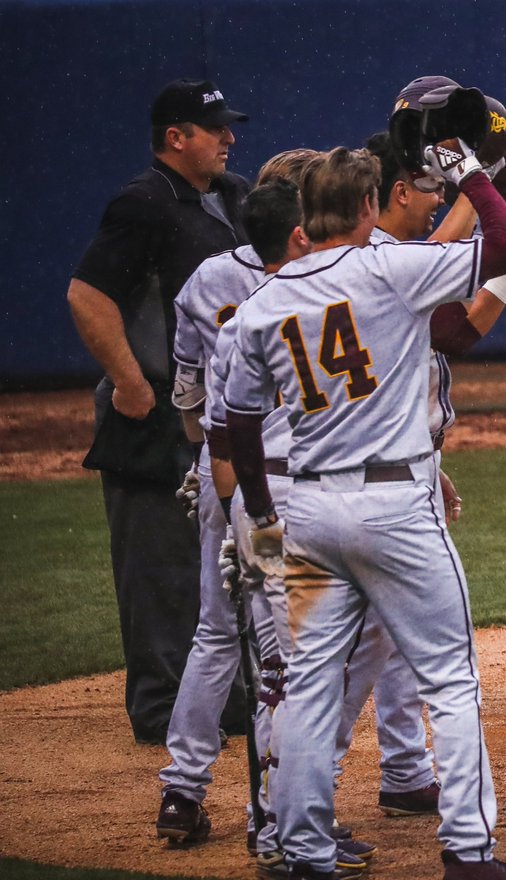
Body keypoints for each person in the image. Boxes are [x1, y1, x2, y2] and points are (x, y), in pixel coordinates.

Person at [224, 145, 506, 880]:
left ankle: (305, 861)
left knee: (307, 688)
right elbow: (503, 246)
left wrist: (264, 518)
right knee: (450, 679)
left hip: (305, 509)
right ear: (369, 207)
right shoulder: (389, 268)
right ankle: (467, 856)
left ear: (305, 215)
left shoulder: (263, 303)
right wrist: (471, 171)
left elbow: (241, 420)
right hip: (396, 505)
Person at [333, 128, 506, 822]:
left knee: (383, 647)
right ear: (389, 193)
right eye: (429, 188)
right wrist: (488, 198)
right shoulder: (385, 260)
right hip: (378, 482)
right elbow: (453, 329)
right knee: (369, 655)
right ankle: (293, 811)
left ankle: (400, 771)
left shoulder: (330, 269)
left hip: (369, 468)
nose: (438, 201)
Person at [66, 78, 251, 744]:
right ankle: (161, 709)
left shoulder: (232, 197)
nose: (230, 136)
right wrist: (131, 383)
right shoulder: (141, 205)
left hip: (215, 416)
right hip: (150, 418)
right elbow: (87, 294)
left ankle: (227, 702)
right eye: (215, 128)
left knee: (225, 564)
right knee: (161, 570)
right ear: (176, 137)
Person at [154, 151, 322, 847]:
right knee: (284, 658)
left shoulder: (208, 278)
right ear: (298, 225)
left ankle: (180, 791)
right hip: (278, 488)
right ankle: (274, 818)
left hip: (222, 475)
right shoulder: (320, 282)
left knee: (216, 633)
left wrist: (209, 465)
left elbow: (189, 395)